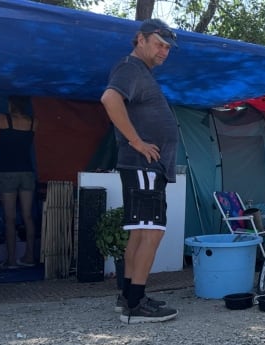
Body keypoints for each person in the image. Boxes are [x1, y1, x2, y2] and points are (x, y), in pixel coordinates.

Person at [100, 18, 180, 324]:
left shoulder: (139, 72)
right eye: (159, 44)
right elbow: (110, 98)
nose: (164, 52)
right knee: (152, 232)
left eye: (168, 48)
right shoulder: (130, 68)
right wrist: (137, 142)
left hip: (143, 167)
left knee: (139, 232)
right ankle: (136, 304)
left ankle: (129, 296)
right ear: (140, 39)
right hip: (143, 165)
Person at [0, 95, 38, 270]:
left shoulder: (1, 118)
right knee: (27, 216)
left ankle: (11, 260)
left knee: (10, 217)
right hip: (27, 172)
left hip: (7, 171)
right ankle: (29, 257)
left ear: (11, 104)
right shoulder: (34, 122)